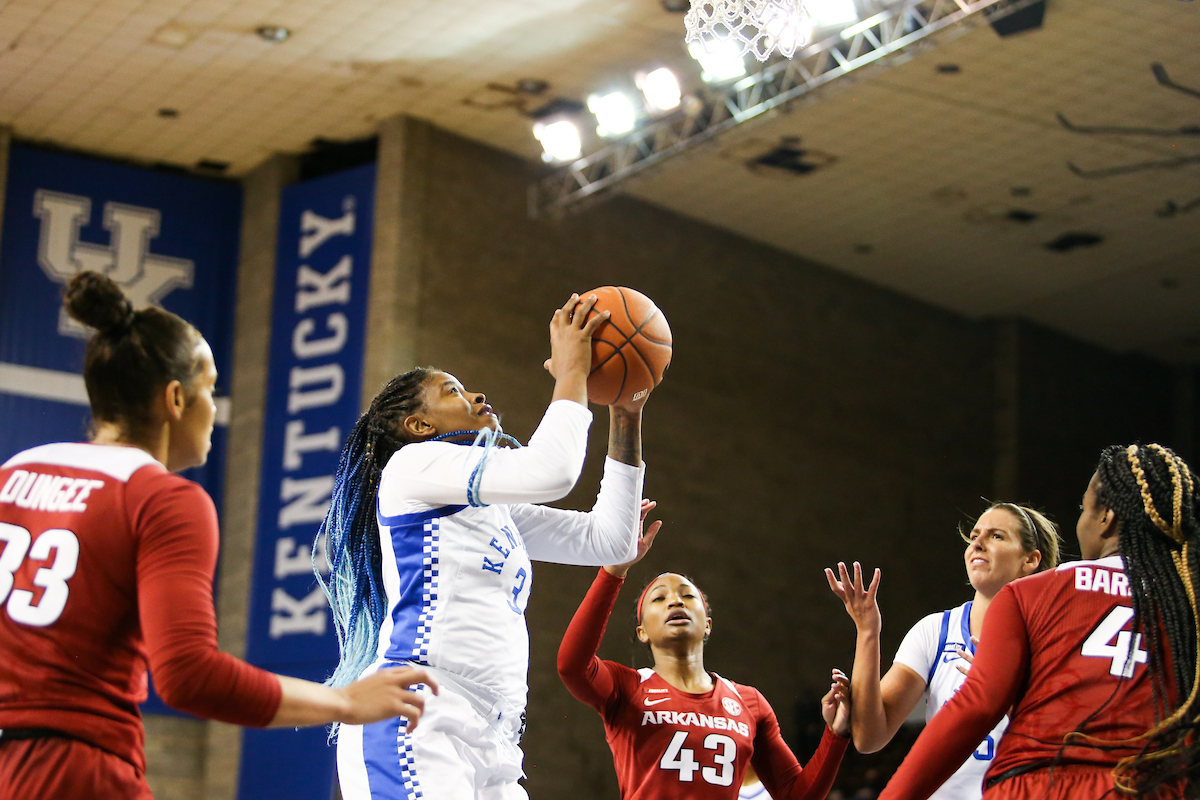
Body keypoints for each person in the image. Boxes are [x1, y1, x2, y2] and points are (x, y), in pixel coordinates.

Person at [0, 271, 433, 800]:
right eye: (209, 388)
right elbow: (188, 675)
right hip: (73, 770)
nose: (214, 407)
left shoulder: (12, 473)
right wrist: (345, 702)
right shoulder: (161, 498)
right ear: (175, 399)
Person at [322, 292, 648, 800]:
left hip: (495, 736)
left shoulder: (494, 509)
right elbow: (552, 472)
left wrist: (624, 416)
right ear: (420, 426)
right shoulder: (412, 466)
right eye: (453, 391)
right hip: (418, 714)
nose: (476, 396)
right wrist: (572, 373)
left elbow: (611, 540)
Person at [876, 444, 1197, 800]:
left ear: (1106, 517)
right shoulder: (1188, 605)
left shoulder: (1029, 594)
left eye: (1084, 509)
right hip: (1143, 787)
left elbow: (976, 708)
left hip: (1038, 784)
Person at [557, 505, 851, 799]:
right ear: (642, 631)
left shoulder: (750, 703)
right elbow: (572, 666)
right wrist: (614, 571)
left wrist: (835, 734)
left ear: (707, 625)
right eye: (659, 598)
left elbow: (796, 795)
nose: (675, 601)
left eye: (687, 596)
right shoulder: (627, 687)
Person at [825, 502, 1060, 800]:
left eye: (997, 536)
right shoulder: (935, 631)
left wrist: (1002, 694)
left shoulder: (1054, 637)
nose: (978, 543)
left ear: (1030, 560)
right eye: (974, 535)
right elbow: (869, 737)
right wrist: (867, 630)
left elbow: (1068, 741)